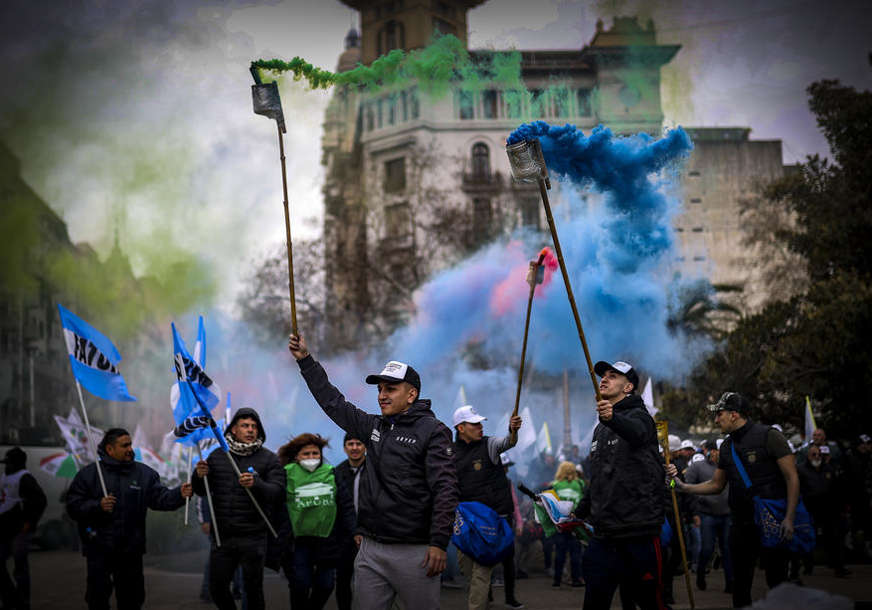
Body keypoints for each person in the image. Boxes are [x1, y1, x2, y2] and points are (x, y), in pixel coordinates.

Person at [288, 334, 458, 610]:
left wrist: (439, 542)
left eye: (390, 389)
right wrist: (306, 361)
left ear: (411, 394)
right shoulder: (375, 427)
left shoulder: (434, 431)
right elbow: (333, 403)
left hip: (415, 552)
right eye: (379, 389)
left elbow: (446, 488)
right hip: (370, 551)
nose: (381, 396)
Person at [666, 392, 799, 608]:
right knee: (740, 583)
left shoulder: (769, 436)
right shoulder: (726, 447)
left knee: (777, 580)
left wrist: (789, 517)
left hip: (772, 521)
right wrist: (684, 487)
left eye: (720, 414)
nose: (716, 420)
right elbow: (717, 485)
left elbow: (792, 477)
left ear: (734, 414)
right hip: (740, 523)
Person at [66, 428, 193, 610]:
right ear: (110, 449)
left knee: (132, 600)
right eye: (124, 445)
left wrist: (179, 495)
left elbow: (160, 499)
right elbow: (73, 506)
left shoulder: (144, 474)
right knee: (97, 598)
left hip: (130, 550)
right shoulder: (90, 475)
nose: (129, 449)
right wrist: (97, 506)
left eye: (130, 444)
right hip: (99, 549)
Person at [576, 360, 665, 610]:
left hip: (638, 532)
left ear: (628, 388)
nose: (604, 378)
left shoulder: (641, 417)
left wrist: (613, 418)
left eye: (613, 376)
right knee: (593, 602)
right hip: (604, 535)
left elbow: (636, 432)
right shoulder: (600, 430)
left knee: (648, 603)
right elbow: (599, 479)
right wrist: (578, 513)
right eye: (603, 375)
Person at [192, 408, 285, 610]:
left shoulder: (269, 458)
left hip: (254, 535)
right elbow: (201, 491)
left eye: (254, 426)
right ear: (233, 429)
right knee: (217, 587)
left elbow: (278, 492)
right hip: (223, 536)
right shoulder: (217, 456)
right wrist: (198, 475)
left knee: (252, 590)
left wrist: (257, 484)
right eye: (245, 425)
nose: (250, 430)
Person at [451, 405, 523, 610]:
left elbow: (509, 441)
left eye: (480, 423)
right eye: (474, 424)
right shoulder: (451, 453)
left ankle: (485, 604)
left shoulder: (489, 444)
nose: (480, 427)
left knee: (482, 570)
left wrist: (513, 430)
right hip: (466, 522)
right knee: (468, 568)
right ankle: (484, 600)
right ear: (460, 427)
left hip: (492, 520)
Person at [277, 433, 354, 609]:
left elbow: (346, 504)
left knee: (326, 585)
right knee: (300, 584)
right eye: (306, 454)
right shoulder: (286, 474)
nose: (311, 458)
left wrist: (353, 531)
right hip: (299, 542)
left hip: (327, 539)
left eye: (315, 453)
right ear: (297, 456)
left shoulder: (331, 473)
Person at [0, 447, 47, 610]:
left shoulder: (25, 478)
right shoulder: (5, 476)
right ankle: (11, 599)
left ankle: (22, 602)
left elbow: (40, 500)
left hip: (19, 529)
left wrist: (29, 522)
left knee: (20, 568)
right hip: (5, 528)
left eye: (9, 462)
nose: (7, 465)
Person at [684, 440, 732, 593]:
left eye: (719, 451)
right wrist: (695, 512)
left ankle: (730, 582)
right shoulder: (697, 467)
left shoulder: (730, 466)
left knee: (727, 550)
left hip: (727, 515)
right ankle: (700, 573)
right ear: (708, 451)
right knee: (707, 549)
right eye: (714, 451)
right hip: (706, 515)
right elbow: (686, 486)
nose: (716, 454)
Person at [797, 444, 850, 577]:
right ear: (808, 456)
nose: (817, 457)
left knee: (833, 538)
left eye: (819, 454)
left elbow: (836, 488)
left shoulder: (829, 469)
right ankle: (808, 567)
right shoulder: (801, 470)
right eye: (813, 454)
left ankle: (838, 567)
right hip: (810, 509)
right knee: (808, 538)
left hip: (829, 509)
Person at [333, 432, 365, 610]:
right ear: (344, 448)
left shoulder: (375, 470)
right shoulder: (337, 472)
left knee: (370, 581)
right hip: (344, 537)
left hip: (370, 534)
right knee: (343, 580)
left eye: (358, 443)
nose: (354, 448)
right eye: (350, 444)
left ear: (365, 446)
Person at [550, 460, 585, 589]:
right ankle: (576, 579)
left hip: (561, 524)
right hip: (575, 523)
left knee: (560, 552)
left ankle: (557, 581)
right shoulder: (579, 484)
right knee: (575, 552)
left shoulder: (556, 485)